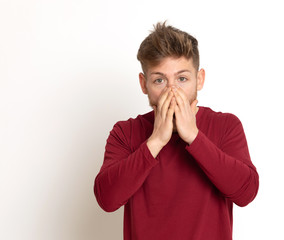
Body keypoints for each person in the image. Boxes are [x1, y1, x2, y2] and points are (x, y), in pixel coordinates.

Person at [94, 22, 259, 240]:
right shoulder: (125, 132)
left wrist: (194, 137)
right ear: (144, 84)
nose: (172, 91)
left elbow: (245, 193)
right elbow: (107, 199)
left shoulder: (226, 126)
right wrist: (156, 140)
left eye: (182, 79)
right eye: (159, 80)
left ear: (199, 79)